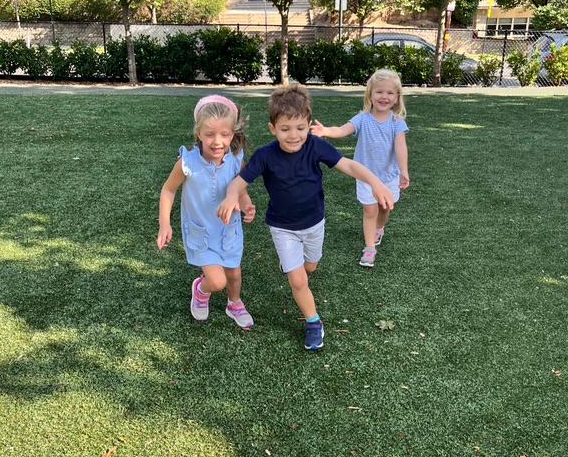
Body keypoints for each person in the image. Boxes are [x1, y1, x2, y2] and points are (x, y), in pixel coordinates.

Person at [217, 85, 394, 351]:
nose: (293, 135)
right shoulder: (265, 156)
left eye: (300, 128)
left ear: (308, 126)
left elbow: (347, 164)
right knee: (298, 280)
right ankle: (313, 322)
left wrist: (376, 183)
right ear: (272, 128)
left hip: (314, 223)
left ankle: (296, 266)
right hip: (282, 227)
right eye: (285, 129)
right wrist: (232, 197)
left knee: (310, 267)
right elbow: (239, 182)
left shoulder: (315, 146)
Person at [157, 95, 256, 329]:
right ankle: (201, 290)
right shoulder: (187, 162)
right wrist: (164, 224)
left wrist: (246, 204)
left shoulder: (235, 159)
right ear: (198, 133)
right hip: (201, 232)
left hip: (228, 230)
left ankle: (234, 303)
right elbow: (168, 190)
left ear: (232, 134)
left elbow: (240, 187)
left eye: (225, 134)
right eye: (209, 134)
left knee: (234, 274)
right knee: (218, 281)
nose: (217, 142)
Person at [311, 68, 409, 268]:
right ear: (370, 95)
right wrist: (326, 131)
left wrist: (404, 171)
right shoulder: (362, 118)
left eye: (390, 93)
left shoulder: (397, 122)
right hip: (365, 176)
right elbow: (343, 130)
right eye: (379, 91)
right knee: (370, 210)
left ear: (397, 98)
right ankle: (370, 247)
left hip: (389, 177)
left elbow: (401, 148)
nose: (384, 96)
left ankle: (379, 228)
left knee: (385, 208)